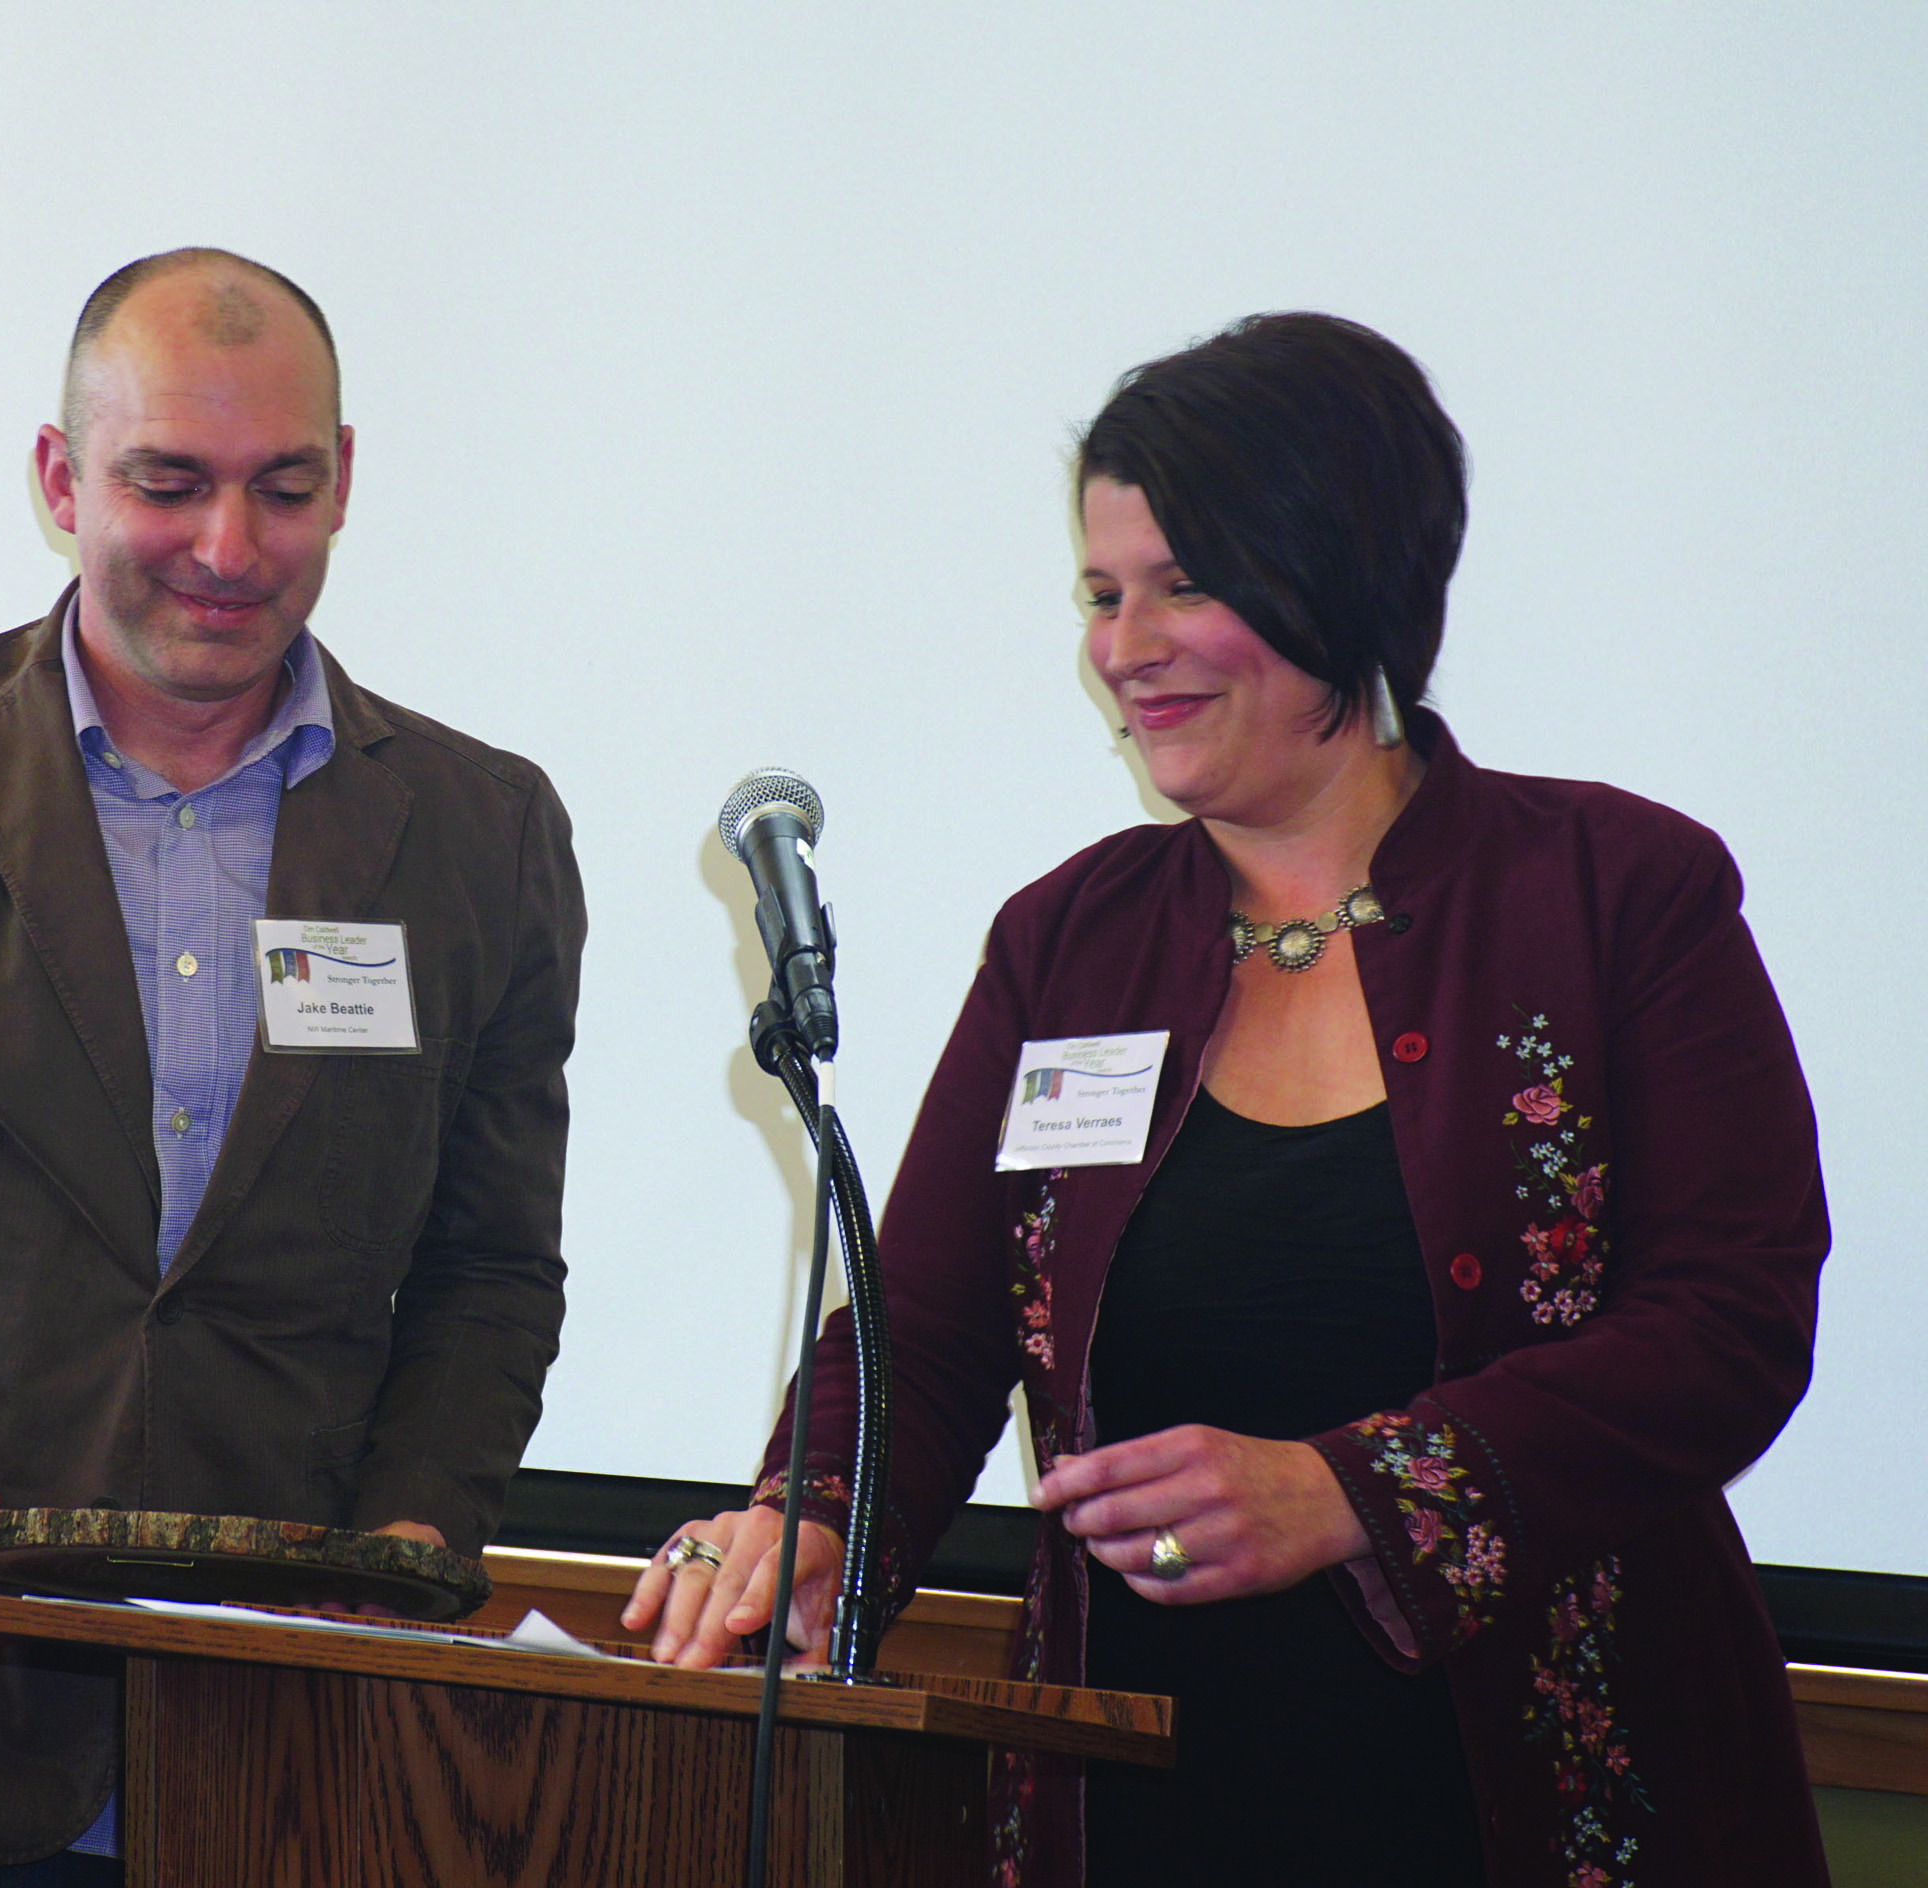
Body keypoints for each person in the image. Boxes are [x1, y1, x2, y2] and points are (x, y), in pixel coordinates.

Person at [624, 313, 1829, 1887]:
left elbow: (1728, 1321)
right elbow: (926, 1326)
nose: (1126, 648)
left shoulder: (1613, 893)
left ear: (1345, 575)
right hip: (1137, 1804)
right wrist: (813, 1517)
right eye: (1102, 594)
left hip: (1543, 1799)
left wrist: (1355, 1489)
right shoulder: (1070, 939)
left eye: (1186, 584)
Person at [0, 248, 585, 1880]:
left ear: (344, 481)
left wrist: (416, 1538)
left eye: (283, 488)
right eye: (169, 484)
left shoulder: (484, 836)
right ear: (63, 479)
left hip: (303, 1745)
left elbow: (490, 1268)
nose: (229, 549)